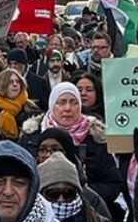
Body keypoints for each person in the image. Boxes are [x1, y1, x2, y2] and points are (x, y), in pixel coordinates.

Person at [19, 82, 123, 213]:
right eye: (61, 102)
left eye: (73, 102)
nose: (67, 108)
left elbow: (112, 184)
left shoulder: (96, 138)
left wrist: (75, 195)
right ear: (52, 105)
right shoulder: (31, 137)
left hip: (86, 211)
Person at [0, 68, 41, 141]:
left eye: (18, 81)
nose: (15, 84)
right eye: (10, 82)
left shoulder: (31, 109)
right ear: (2, 85)